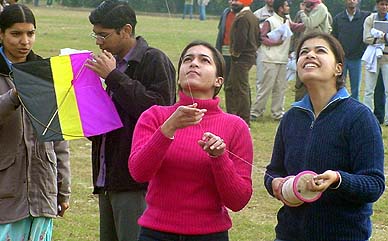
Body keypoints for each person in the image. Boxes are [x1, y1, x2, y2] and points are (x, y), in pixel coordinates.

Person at [264, 32, 385, 241]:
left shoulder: (360, 117)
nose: (310, 55)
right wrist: (274, 184)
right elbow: (273, 171)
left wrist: (338, 179)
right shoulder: (291, 117)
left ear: (338, 68)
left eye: (320, 50)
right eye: (303, 52)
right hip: (288, 234)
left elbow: (374, 184)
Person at [129, 40, 253, 241]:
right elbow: (139, 173)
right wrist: (168, 129)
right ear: (179, 77)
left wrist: (219, 158)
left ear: (218, 81)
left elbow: (238, 200)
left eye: (204, 60)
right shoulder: (154, 116)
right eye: (187, 59)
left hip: (210, 235)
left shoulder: (236, 127)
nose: (193, 63)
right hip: (156, 233)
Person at [85, 1, 176, 241]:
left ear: (125, 30)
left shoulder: (154, 60)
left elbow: (159, 113)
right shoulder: (112, 65)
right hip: (108, 179)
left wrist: (114, 77)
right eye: (95, 35)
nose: (98, 41)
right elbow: (111, 120)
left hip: (135, 184)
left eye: (103, 35)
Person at [0, 4, 71, 241]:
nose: (25, 41)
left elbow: (57, 136)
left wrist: (63, 188)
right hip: (6, 191)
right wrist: (14, 97)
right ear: (1, 34)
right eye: (16, 34)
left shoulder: (44, 73)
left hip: (42, 187)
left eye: (30, 33)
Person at [250, 0, 304, 121]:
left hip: (282, 59)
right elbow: (262, 37)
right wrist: (275, 42)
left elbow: (296, 27)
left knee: (280, 88)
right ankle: (256, 112)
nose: (288, 7)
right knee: (265, 87)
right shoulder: (270, 21)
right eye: (286, 5)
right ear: (280, 8)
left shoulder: (286, 20)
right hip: (269, 59)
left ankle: (278, 113)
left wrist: (310, 19)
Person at [225, 0, 260, 125]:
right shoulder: (253, 17)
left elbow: (241, 39)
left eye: (236, 1)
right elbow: (258, 39)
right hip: (248, 57)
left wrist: (235, 54)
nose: (233, 3)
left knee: (240, 89)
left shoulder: (243, 18)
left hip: (241, 59)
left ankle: (243, 120)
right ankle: (233, 116)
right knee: (231, 87)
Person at [332, 0, 370, 100]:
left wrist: (362, 51)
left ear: (357, 1)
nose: (351, 1)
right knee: (339, 86)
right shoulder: (338, 18)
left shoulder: (365, 17)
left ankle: (354, 111)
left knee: (355, 89)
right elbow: (334, 38)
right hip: (342, 59)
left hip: (357, 58)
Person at [294, 0, 332, 101]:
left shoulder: (320, 8)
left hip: (317, 45)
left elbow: (310, 23)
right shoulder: (313, 9)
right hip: (310, 45)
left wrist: (302, 12)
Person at [362, 0, 388, 126]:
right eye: (382, 4)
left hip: (387, 58)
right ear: (377, 5)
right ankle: (367, 116)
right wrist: (383, 38)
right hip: (373, 56)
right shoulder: (370, 19)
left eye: (386, 4)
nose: (384, 7)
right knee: (369, 89)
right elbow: (366, 38)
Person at [250, 0, 274, 120]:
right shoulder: (258, 14)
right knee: (261, 81)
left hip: (279, 54)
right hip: (263, 52)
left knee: (279, 85)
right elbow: (253, 34)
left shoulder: (284, 14)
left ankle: (277, 112)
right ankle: (257, 110)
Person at [215, 0, 235, 84]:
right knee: (225, 78)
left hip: (238, 53)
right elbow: (221, 31)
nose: (232, 2)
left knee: (238, 80)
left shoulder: (244, 15)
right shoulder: (226, 12)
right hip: (225, 51)